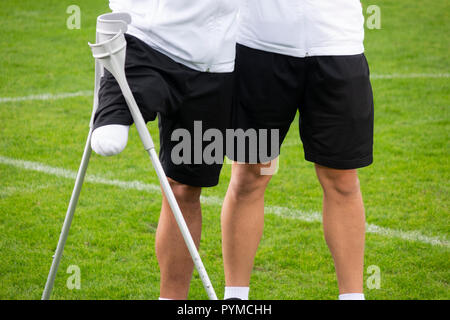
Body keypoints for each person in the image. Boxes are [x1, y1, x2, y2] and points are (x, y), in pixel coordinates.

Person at [222, 0, 374, 300]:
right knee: (249, 175)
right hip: (260, 48)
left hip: (338, 45)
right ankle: (235, 299)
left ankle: (353, 297)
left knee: (342, 180)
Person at [91, 0, 239, 300]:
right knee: (112, 134)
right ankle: (115, 108)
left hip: (214, 65)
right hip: (149, 42)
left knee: (185, 188)